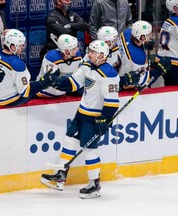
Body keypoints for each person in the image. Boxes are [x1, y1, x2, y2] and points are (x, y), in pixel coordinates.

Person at [40, 40, 120, 199]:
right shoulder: (87, 66)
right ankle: (61, 174)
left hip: (94, 118)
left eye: (92, 52)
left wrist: (104, 119)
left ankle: (94, 184)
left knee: (89, 149)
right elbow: (73, 83)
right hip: (81, 113)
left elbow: (112, 102)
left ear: (101, 55)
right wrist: (57, 82)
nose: (88, 53)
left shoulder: (109, 74)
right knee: (70, 139)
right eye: (89, 51)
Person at [0, 29, 60, 106]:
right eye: (21, 45)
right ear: (12, 46)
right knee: (32, 91)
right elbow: (26, 91)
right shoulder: (17, 64)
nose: (23, 48)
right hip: (6, 102)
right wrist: (43, 83)